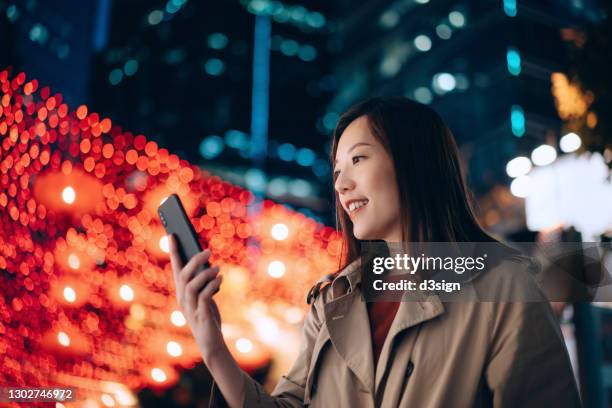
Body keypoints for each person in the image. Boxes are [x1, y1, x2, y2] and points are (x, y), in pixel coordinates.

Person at [168, 97, 581, 407]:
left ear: (413, 162)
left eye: (358, 159)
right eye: (336, 172)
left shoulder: (502, 284)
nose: (341, 185)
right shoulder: (331, 300)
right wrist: (212, 344)